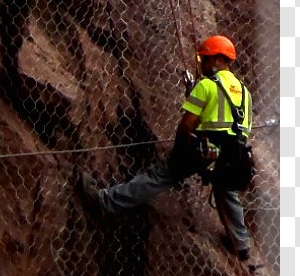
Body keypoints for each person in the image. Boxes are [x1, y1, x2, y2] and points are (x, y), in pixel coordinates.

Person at [79, 35, 254, 260]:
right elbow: (242, 129)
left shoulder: (208, 86)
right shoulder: (245, 93)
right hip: (233, 155)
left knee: (161, 175)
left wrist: (180, 148)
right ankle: (240, 245)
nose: (202, 65)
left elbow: (188, 123)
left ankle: (104, 202)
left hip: (203, 147)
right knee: (225, 187)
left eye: (206, 59)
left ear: (218, 59)